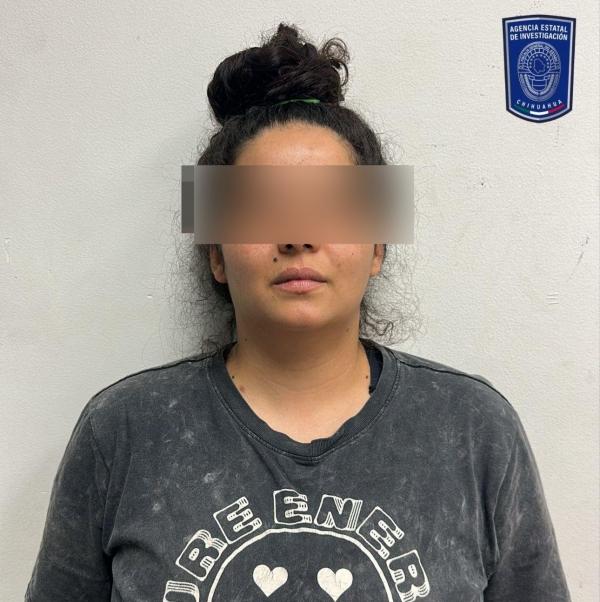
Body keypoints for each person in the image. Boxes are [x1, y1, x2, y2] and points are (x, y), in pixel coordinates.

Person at [26, 22, 571, 602]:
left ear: (378, 246)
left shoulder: (475, 430)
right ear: (215, 253)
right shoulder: (123, 430)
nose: (297, 236)